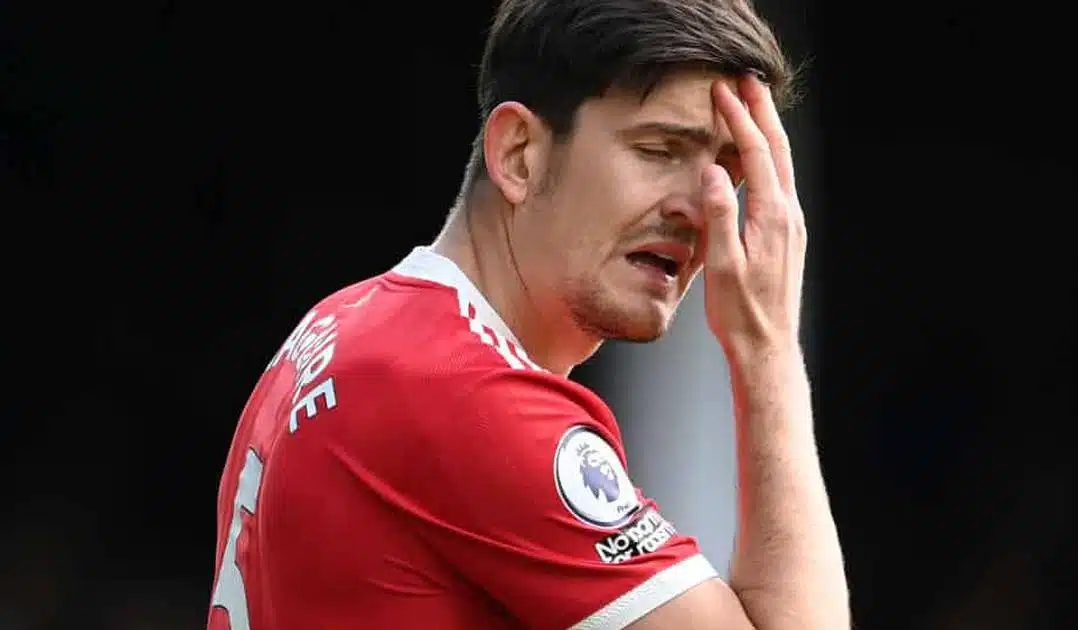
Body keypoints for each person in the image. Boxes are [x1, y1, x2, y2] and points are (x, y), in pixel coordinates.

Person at [206, 0, 849, 628]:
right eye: (659, 150)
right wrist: (767, 350)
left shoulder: (343, 327)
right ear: (519, 154)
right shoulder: (467, 394)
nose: (704, 209)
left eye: (727, 174)